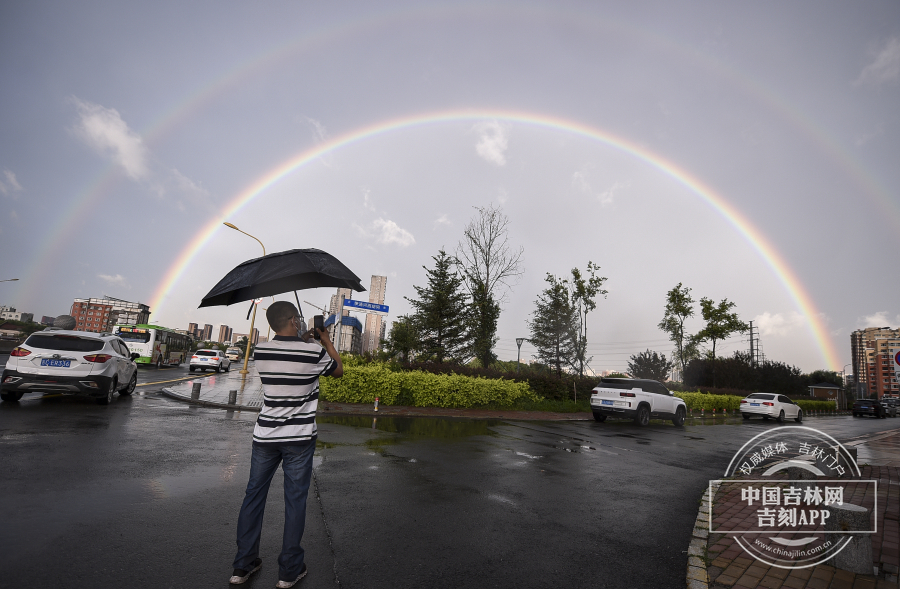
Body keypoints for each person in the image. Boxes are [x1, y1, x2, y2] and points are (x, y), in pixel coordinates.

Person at [230, 301, 343, 587]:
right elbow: (338, 369)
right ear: (294, 320)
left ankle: (242, 566)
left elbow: (289, 356)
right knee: (295, 501)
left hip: (265, 436)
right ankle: (289, 571)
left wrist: (303, 340)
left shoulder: (261, 350)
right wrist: (324, 338)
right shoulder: (313, 351)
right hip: (299, 439)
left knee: (253, 496)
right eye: (299, 319)